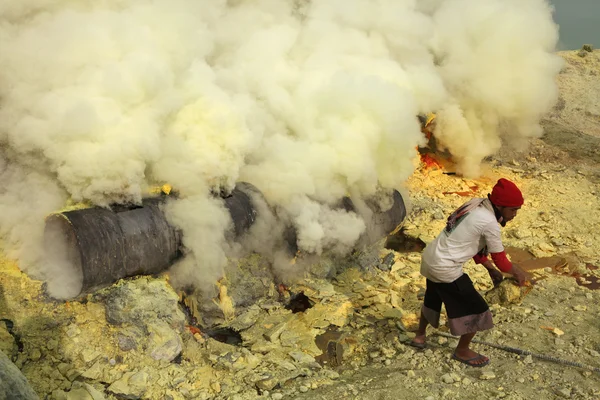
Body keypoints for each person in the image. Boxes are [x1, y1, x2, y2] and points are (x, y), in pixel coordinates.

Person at [410, 178, 530, 367]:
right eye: (513, 210)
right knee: (478, 310)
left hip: (431, 259)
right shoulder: (489, 221)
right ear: (499, 205)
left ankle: (419, 336)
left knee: (432, 298)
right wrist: (518, 272)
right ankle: (462, 350)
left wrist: (489, 268)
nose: (515, 214)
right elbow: (502, 261)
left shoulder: (475, 204)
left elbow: (468, 239)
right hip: (445, 268)